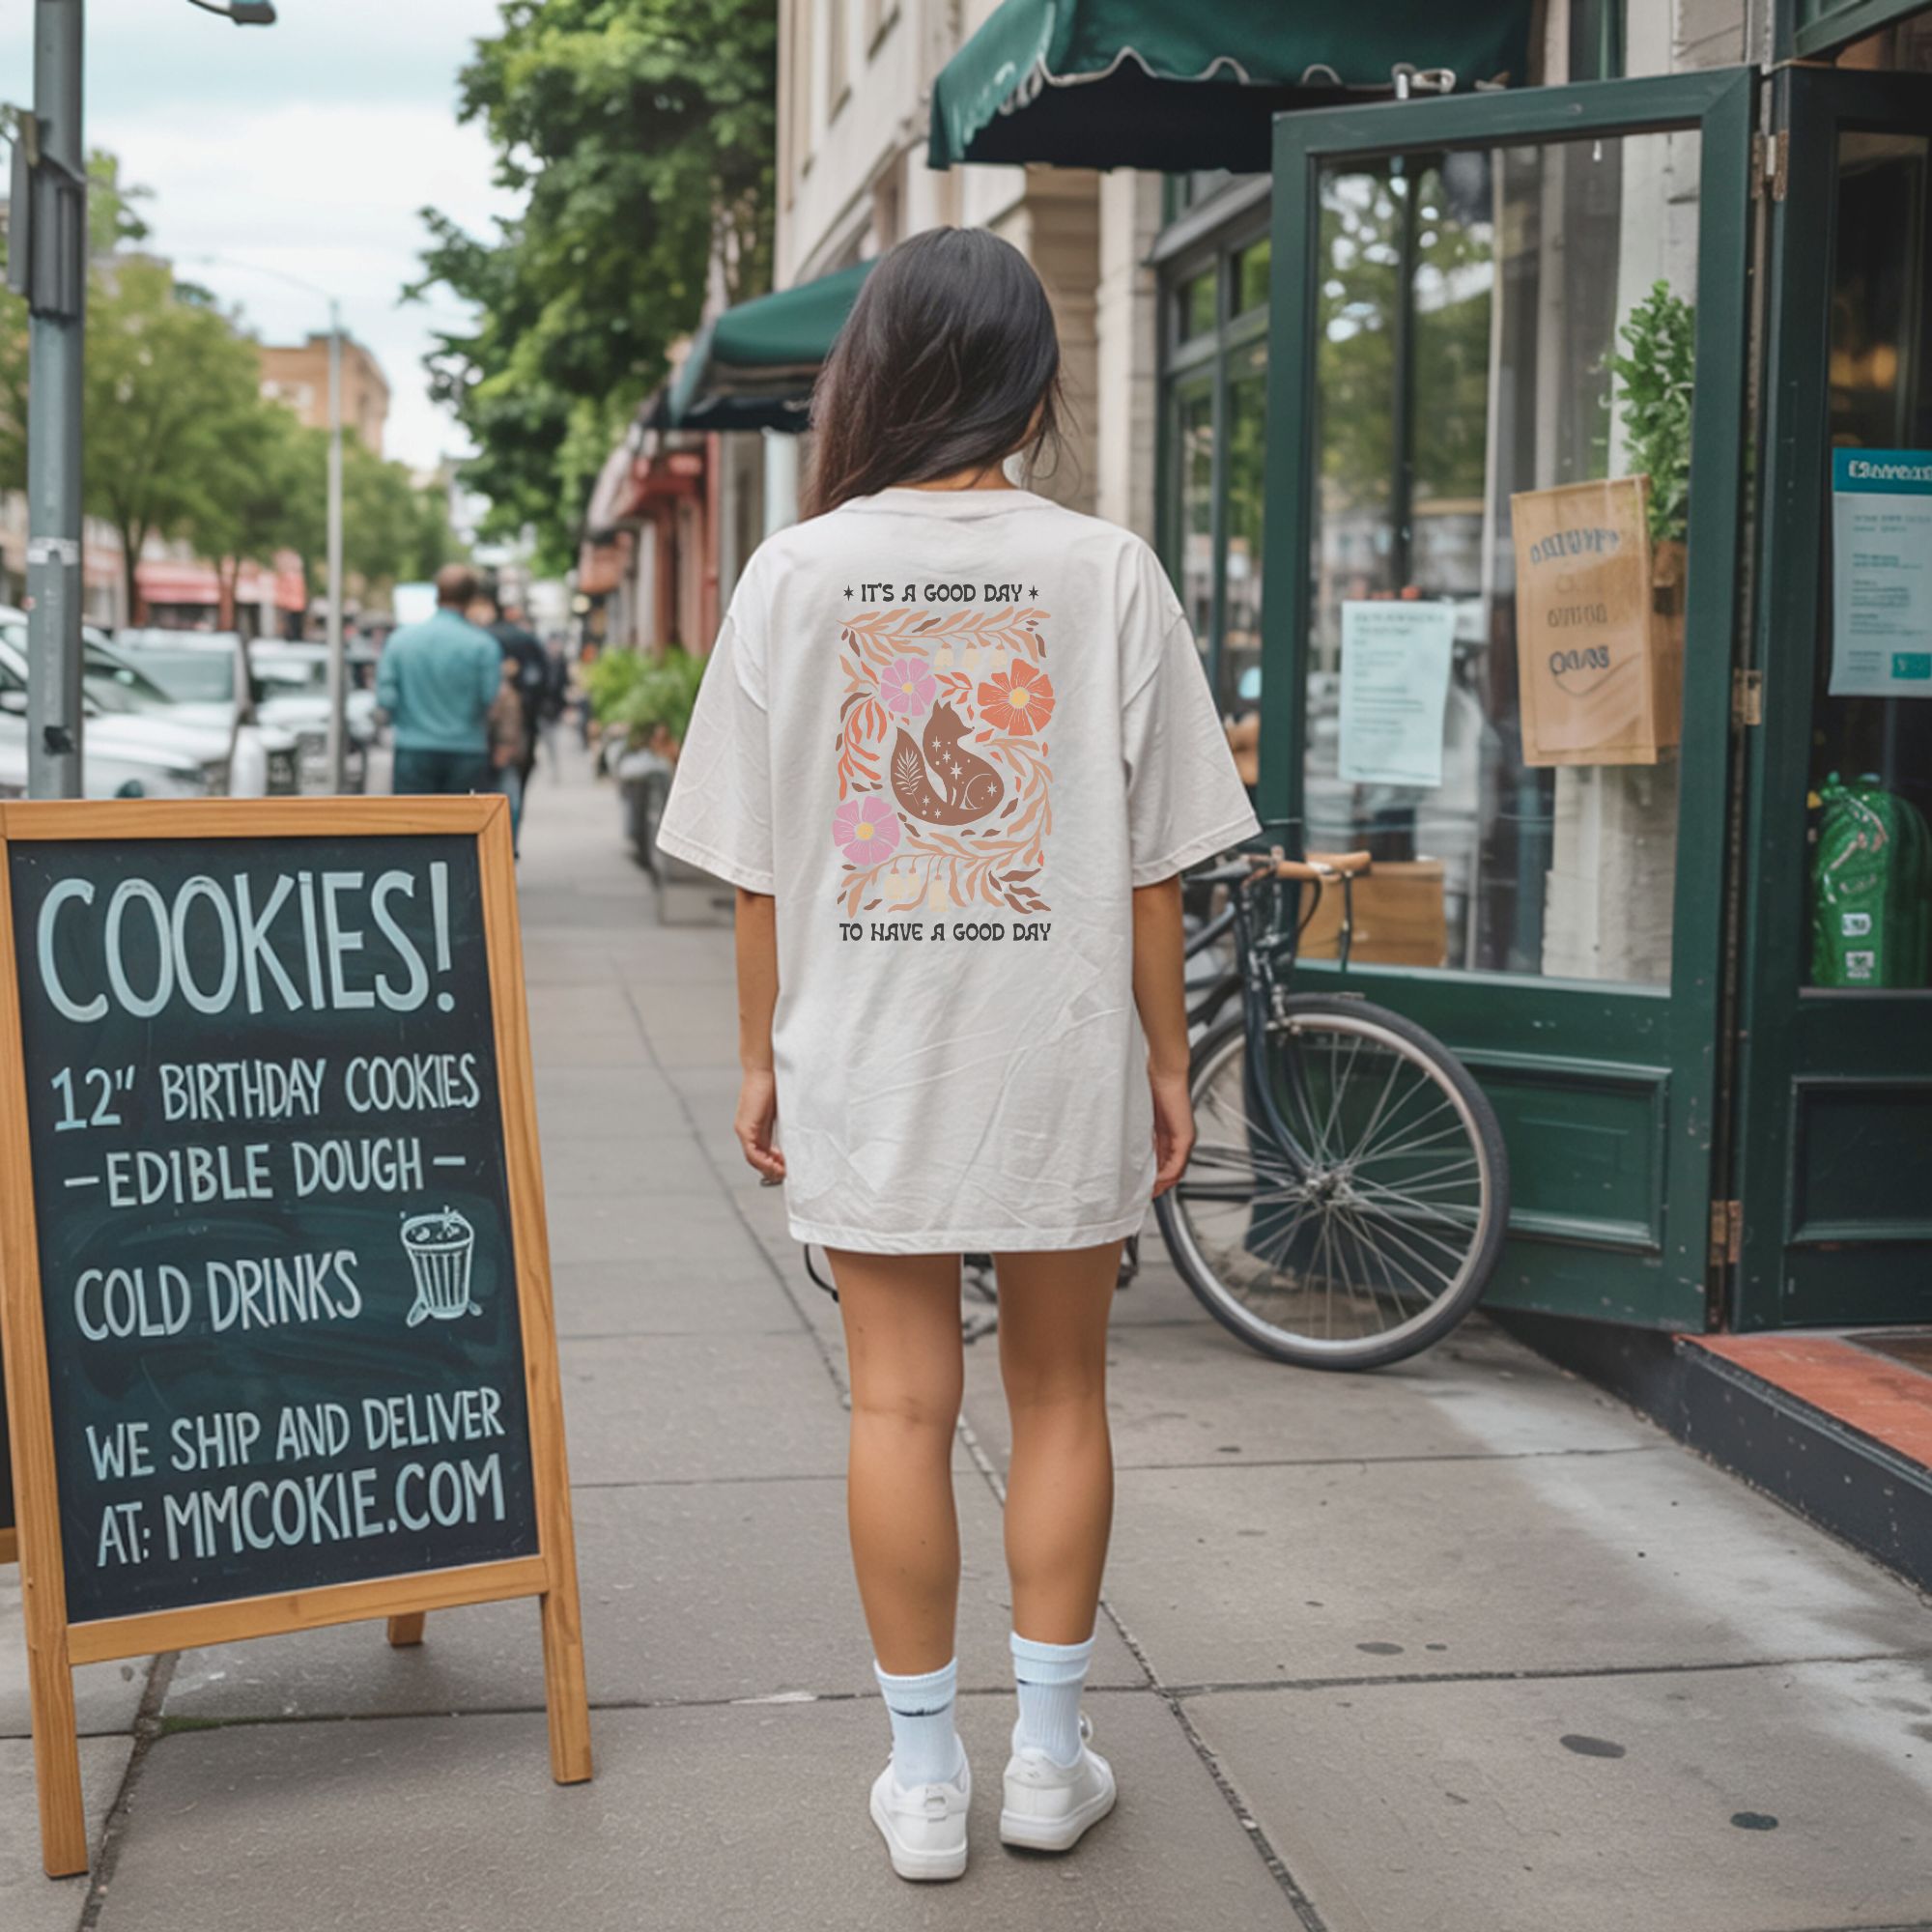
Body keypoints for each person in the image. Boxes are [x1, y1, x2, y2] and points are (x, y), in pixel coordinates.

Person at [656, 228, 1258, 1883]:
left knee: (899, 1402)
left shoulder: (795, 573)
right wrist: (1157, 1057)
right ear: (1029, 380)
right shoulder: (1107, 568)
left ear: (874, 374)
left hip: (864, 1041)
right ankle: (1048, 1762)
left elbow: (761, 865)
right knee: (1064, 1390)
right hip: (1057, 1039)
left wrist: (761, 1056)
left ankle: (926, 1784)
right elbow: (1153, 863)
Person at [377, 564, 500, 795]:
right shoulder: (484, 646)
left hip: (413, 749)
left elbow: (386, 698)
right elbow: (488, 697)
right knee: (463, 828)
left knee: (414, 827)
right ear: (471, 598)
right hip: (467, 751)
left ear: (437, 593)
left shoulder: (400, 640)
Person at [486, 655, 529, 849]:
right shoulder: (504, 692)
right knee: (507, 802)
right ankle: (506, 847)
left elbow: (509, 724)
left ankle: (506, 847)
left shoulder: (503, 693)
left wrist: (504, 747)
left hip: (499, 755)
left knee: (507, 802)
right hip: (495, 753)